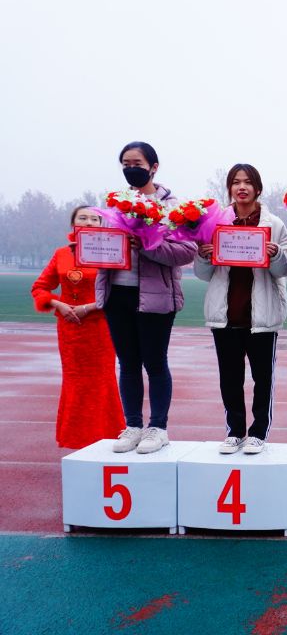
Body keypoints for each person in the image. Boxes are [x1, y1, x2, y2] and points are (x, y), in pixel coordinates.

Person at [97, 141, 196, 454]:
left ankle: (158, 428)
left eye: (137, 163)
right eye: (125, 164)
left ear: (154, 167)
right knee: (127, 363)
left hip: (156, 297)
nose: (131, 169)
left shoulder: (174, 207)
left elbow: (186, 251)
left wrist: (149, 246)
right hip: (117, 294)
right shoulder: (114, 204)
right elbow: (101, 245)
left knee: (154, 362)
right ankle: (132, 426)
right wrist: (90, 249)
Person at [196, 164, 287, 455]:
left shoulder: (274, 224)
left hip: (261, 316)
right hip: (225, 314)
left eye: (247, 182)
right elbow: (203, 274)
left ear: (258, 188)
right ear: (229, 188)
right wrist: (203, 256)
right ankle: (234, 432)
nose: (241, 187)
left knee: (262, 378)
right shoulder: (215, 224)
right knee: (230, 379)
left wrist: (276, 254)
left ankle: (258, 433)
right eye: (235, 182)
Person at [31, 206, 125, 449]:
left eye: (94, 219)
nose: (89, 222)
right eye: (83, 218)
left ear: (102, 225)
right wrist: (58, 304)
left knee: (102, 380)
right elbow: (40, 287)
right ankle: (75, 438)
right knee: (74, 381)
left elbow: (119, 292)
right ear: (73, 224)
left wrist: (89, 307)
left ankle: (106, 435)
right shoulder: (62, 254)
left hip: (100, 327)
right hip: (70, 331)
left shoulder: (111, 252)